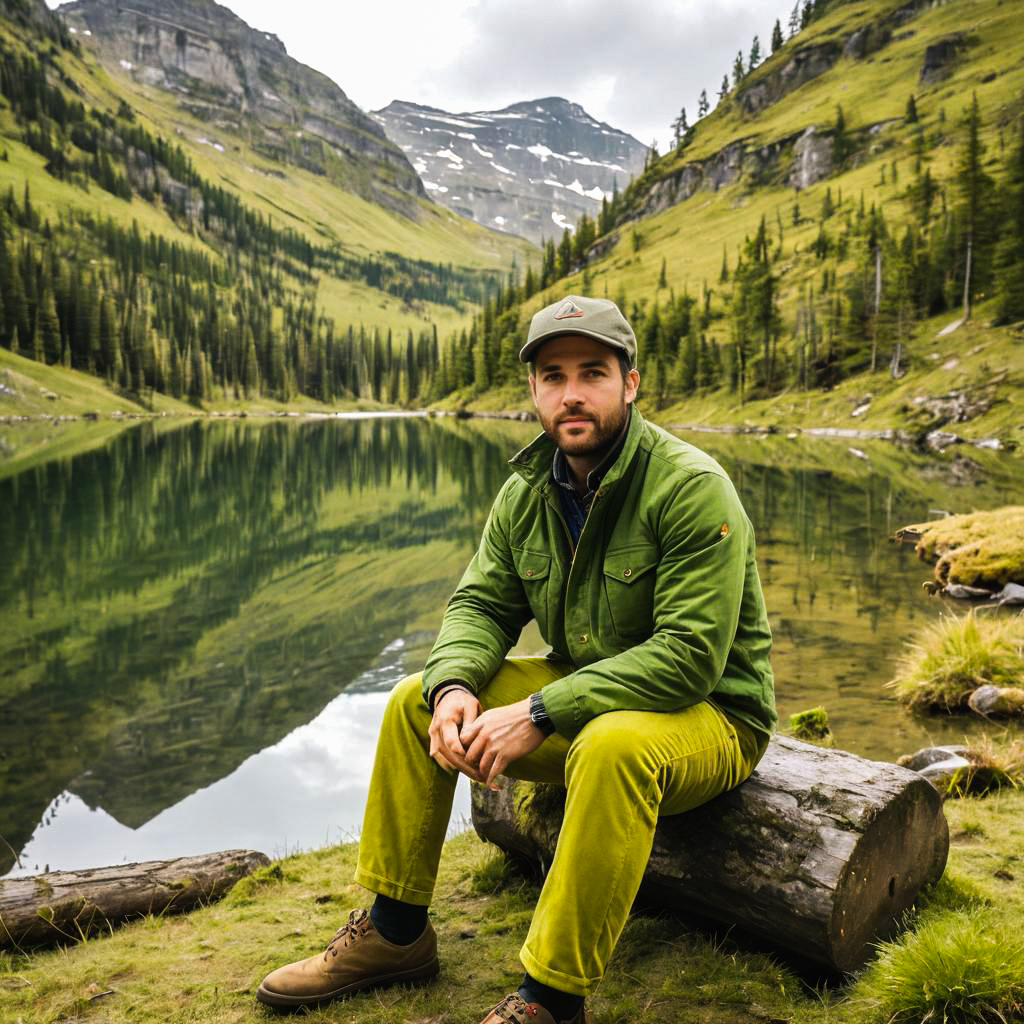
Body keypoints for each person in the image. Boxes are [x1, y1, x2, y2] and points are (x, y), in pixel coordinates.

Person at [256, 295, 776, 1023]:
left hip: (709, 715)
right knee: (414, 698)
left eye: (592, 372)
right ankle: (396, 931)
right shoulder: (528, 491)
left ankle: (552, 999)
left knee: (612, 746)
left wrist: (540, 710)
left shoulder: (689, 487)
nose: (571, 393)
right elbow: (480, 606)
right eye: (553, 375)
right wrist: (454, 688)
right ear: (532, 390)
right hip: (591, 693)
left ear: (630, 382)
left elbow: (689, 657)